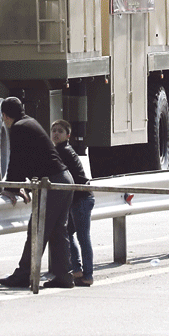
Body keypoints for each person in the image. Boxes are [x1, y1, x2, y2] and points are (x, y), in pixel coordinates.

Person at [0, 97, 75, 290]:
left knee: (37, 229)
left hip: (53, 183)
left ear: (5, 116)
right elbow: (28, 159)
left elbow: (16, 160)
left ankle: (25, 274)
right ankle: (64, 275)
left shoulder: (19, 128)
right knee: (58, 230)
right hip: (64, 179)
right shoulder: (29, 121)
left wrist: (12, 188)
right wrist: (19, 185)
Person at [50, 119, 94, 287]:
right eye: (53, 130)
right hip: (73, 200)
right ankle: (77, 270)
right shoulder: (60, 150)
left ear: (68, 135)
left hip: (82, 199)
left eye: (60, 131)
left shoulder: (64, 151)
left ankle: (87, 275)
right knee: (67, 233)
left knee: (83, 237)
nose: (56, 133)